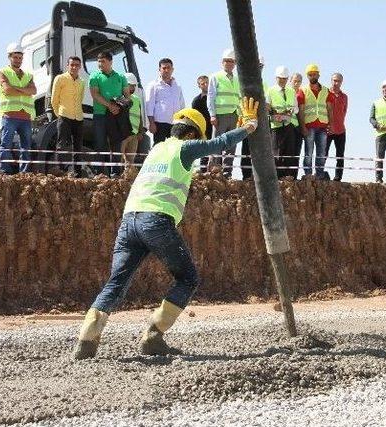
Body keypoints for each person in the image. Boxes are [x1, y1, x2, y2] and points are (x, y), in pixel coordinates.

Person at [72, 97, 259, 360]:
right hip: (156, 221)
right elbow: (219, 144)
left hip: (129, 222)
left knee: (117, 282)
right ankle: (153, 336)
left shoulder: (156, 149)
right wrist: (248, 127)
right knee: (188, 278)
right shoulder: (183, 149)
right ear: (192, 133)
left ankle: (87, 340)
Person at [0, 42, 37, 174]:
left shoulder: (28, 75)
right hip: (10, 115)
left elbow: (33, 90)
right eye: (15, 57)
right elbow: (7, 90)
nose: (18, 60)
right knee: (6, 144)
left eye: (20, 57)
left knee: (26, 147)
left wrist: (17, 89)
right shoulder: (2, 72)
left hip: (25, 116)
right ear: (9, 57)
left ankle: (24, 173)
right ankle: (5, 171)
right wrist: (25, 90)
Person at [89, 51, 131, 176]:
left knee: (116, 144)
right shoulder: (94, 76)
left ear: (110, 62)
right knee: (99, 144)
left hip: (116, 116)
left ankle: (115, 174)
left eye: (103, 61)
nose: (100, 64)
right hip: (100, 115)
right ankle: (100, 174)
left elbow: (127, 96)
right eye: (99, 61)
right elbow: (95, 94)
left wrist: (118, 105)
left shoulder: (121, 77)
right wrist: (110, 105)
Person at [207, 49, 241, 179]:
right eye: (227, 61)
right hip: (220, 116)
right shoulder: (216, 77)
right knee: (217, 144)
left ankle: (227, 173)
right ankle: (214, 172)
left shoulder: (237, 80)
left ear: (235, 63)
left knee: (231, 145)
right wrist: (212, 115)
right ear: (222, 62)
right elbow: (211, 97)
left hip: (234, 115)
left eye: (232, 61)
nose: (229, 63)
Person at [297, 64, 334, 179]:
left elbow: (329, 108)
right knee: (308, 153)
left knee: (321, 153)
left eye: (314, 74)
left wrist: (331, 125)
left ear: (318, 75)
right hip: (309, 126)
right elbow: (301, 110)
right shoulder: (303, 90)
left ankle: (319, 174)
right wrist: (302, 127)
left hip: (322, 126)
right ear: (307, 76)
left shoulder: (326, 91)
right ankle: (308, 174)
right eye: (310, 74)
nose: (313, 76)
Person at [51, 56, 84, 176]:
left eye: (77, 65)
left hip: (78, 117)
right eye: (72, 65)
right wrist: (59, 114)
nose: (74, 67)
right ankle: (61, 170)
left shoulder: (82, 82)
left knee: (78, 147)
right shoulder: (60, 78)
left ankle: (77, 173)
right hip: (64, 116)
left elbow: (80, 99)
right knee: (62, 144)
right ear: (67, 66)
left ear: (80, 66)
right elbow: (54, 100)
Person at [267, 66, 298, 178]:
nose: (282, 81)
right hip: (276, 126)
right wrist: (274, 114)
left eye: (284, 78)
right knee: (276, 152)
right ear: (276, 78)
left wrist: (288, 113)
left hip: (288, 125)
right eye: (280, 78)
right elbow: (267, 106)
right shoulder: (270, 91)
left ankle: (287, 177)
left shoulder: (291, 91)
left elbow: (296, 108)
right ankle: (276, 176)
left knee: (289, 151)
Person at [145, 58, 185, 145]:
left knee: (174, 148)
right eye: (164, 68)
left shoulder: (177, 86)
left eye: (169, 68)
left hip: (175, 123)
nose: (166, 70)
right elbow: (149, 106)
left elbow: (182, 105)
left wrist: (182, 122)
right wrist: (151, 123)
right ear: (159, 69)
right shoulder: (153, 85)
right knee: (159, 148)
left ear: (172, 69)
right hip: (159, 123)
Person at [240, 55, 265, 180]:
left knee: (259, 150)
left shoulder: (264, 85)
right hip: (247, 121)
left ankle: (257, 176)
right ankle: (246, 176)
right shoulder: (243, 83)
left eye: (260, 66)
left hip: (260, 123)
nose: (258, 69)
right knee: (246, 149)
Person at [325, 73, 348, 181]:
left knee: (340, 155)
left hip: (340, 130)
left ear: (341, 82)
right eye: (334, 80)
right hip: (327, 130)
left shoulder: (344, 97)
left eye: (338, 81)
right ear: (331, 81)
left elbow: (344, 112)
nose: (336, 83)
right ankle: (319, 174)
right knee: (323, 153)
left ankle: (338, 177)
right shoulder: (325, 93)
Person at [121, 73, 144, 166]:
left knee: (130, 161)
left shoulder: (137, 99)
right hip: (122, 135)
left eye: (134, 86)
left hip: (134, 135)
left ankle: (128, 179)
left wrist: (140, 132)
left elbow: (140, 116)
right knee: (120, 160)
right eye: (130, 85)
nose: (133, 88)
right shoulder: (119, 98)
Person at [191, 75, 213, 172]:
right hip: (203, 130)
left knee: (217, 152)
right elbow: (194, 118)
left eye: (207, 82)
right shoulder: (196, 101)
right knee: (204, 153)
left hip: (216, 128)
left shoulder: (216, 98)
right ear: (199, 86)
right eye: (202, 83)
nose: (205, 85)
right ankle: (203, 174)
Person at [290, 72, 304, 179]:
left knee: (296, 152)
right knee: (287, 151)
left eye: (299, 81)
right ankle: (285, 175)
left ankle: (293, 176)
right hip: (286, 126)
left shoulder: (301, 94)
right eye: (295, 81)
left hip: (298, 127)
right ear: (290, 81)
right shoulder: (285, 92)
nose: (296, 83)